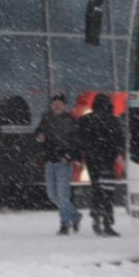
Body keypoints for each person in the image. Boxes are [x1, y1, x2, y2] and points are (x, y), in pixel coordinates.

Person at [75, 97, 126, 236]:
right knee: (108, 192)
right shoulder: (113, 120)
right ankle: (107, 222)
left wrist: (79, 157)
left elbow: (79, 140)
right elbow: (119, 140)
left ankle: (96, 217)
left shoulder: (86, 120)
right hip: (108, 160)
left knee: (96, 188)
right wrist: (120, 154)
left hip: (93, 160)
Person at [33, 95, 81, 235]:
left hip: (63, 161)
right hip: (50, 160)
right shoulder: (46, 118)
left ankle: (64, 224)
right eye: (55, 103)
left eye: (59, 103)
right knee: (52, 195)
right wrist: (39, 137)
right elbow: (38, 132)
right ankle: (74, 215)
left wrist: (69, 156)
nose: (57, 106)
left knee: (62, 194)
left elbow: (75, 140)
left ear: (64, 105)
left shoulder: (70, 120)